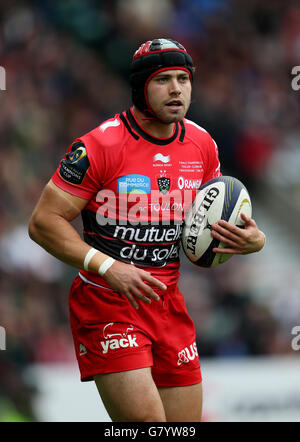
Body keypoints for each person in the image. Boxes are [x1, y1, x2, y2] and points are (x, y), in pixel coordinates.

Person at [28, 38, 265, 422]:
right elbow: (43, 222)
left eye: (183, 79)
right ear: (140, 87)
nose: (176, 89)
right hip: (107, 303)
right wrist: (108, 267)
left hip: (169, 303)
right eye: (163, 80)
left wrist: (253, 240)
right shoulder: (99, 145)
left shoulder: (202, 145)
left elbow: (210, 227)